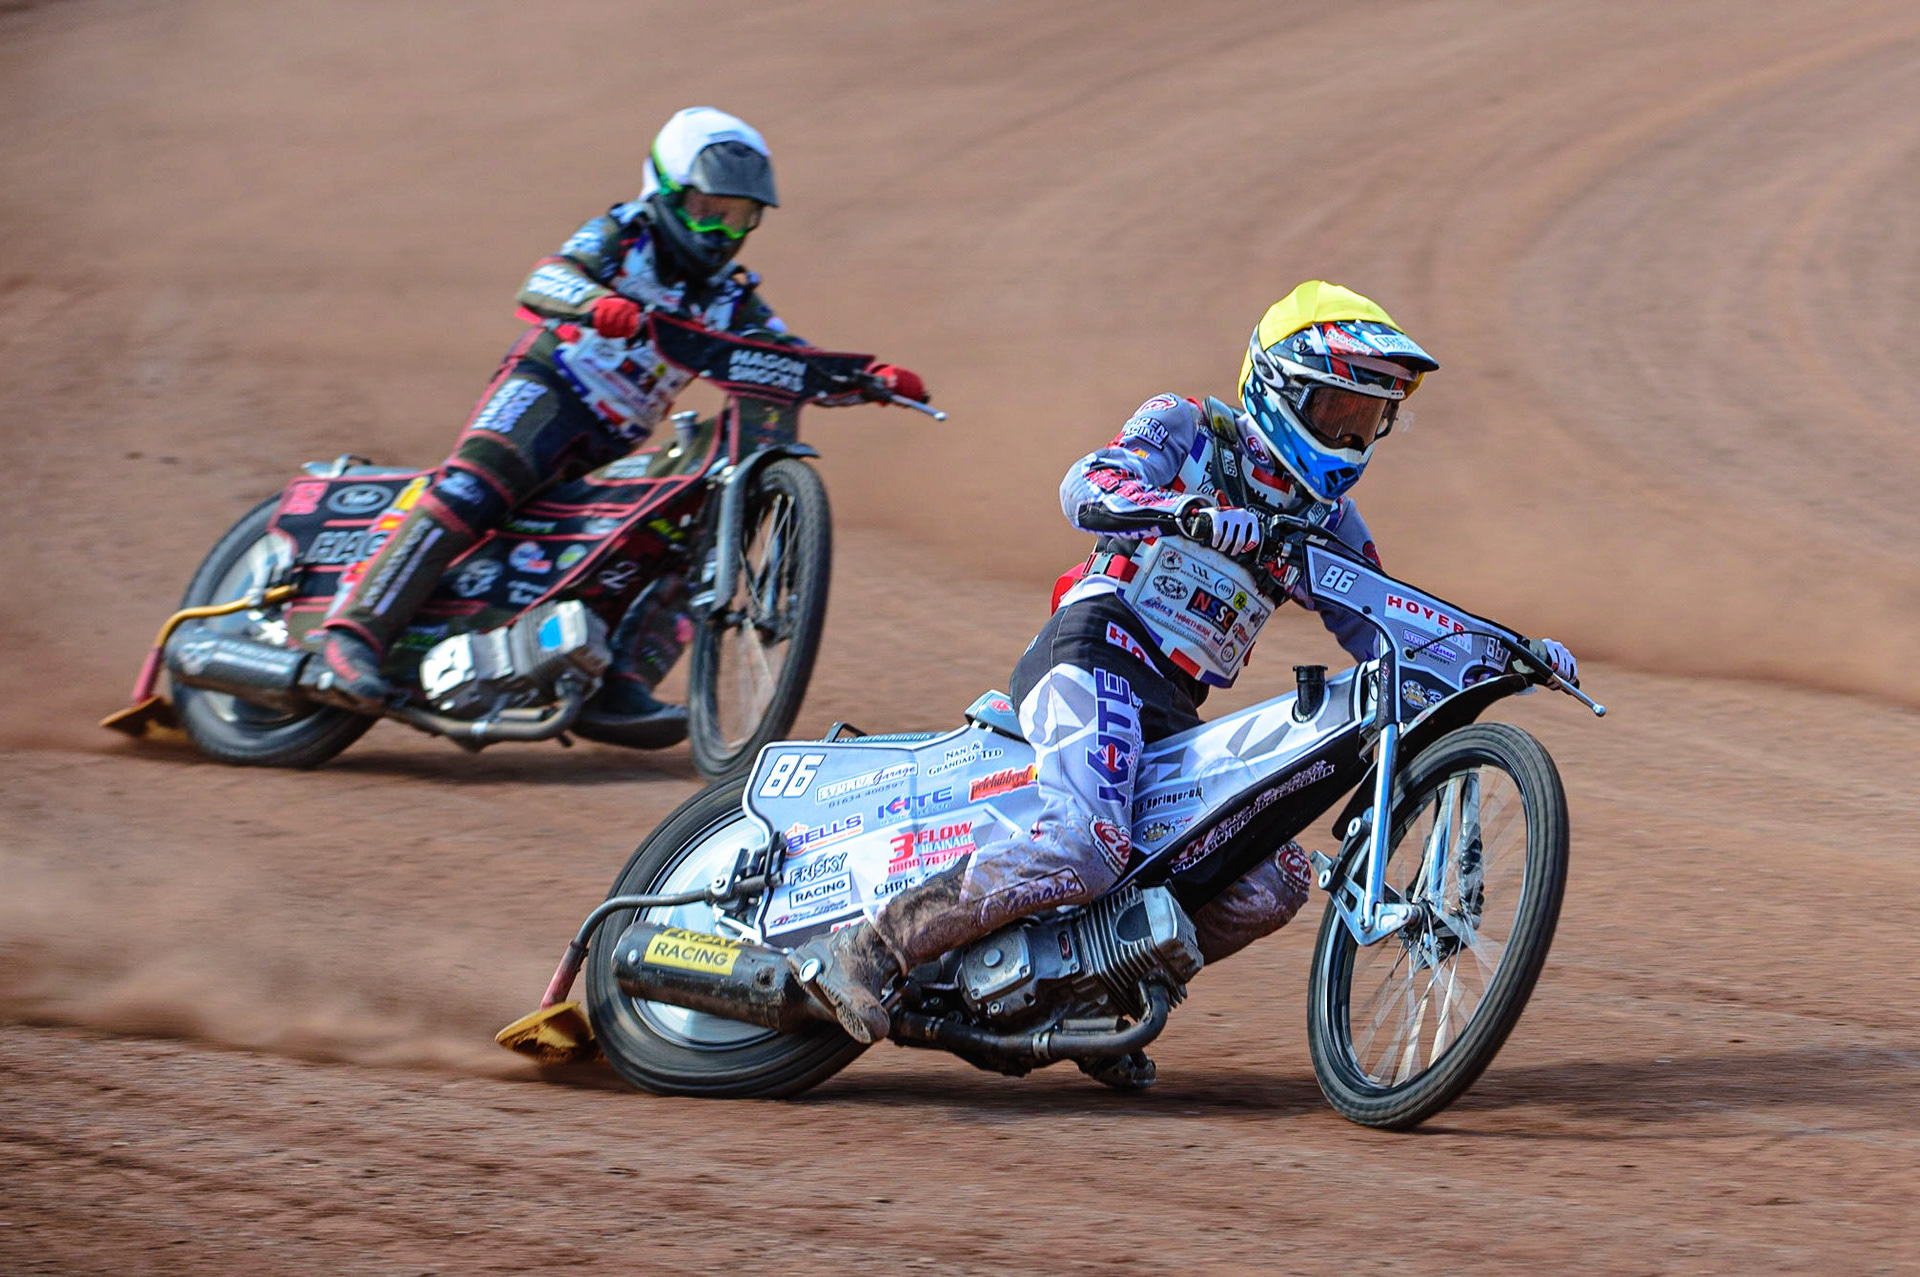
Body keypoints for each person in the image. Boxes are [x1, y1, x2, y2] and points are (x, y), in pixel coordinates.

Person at [793, 280, 1577, 1081]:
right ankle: (867, 946)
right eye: (1336, 409)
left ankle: (1088, 999)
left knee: (1274, 881)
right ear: (1281, 389)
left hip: (1173, 710)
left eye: (1368, 417)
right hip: (1094, 649)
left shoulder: (1329, 523)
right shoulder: (1191, 429)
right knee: (1082, 840)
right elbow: (1086, 485)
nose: (1352, 432)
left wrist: (1509, 653)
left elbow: (1386, 623)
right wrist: (1183, 510)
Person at [307, 106, 926, 740]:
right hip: (548, 390)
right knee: (472, 487)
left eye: (738, 216)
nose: (720, 230)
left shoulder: (730, 295)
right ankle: (352, 633)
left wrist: (864, 379)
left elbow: (781, 356)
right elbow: (544, 279)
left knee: (680, 531)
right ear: (663, 190)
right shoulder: (623, 236)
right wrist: (594, 301)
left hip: (610, 439)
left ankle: (616, 679)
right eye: (706, 209)